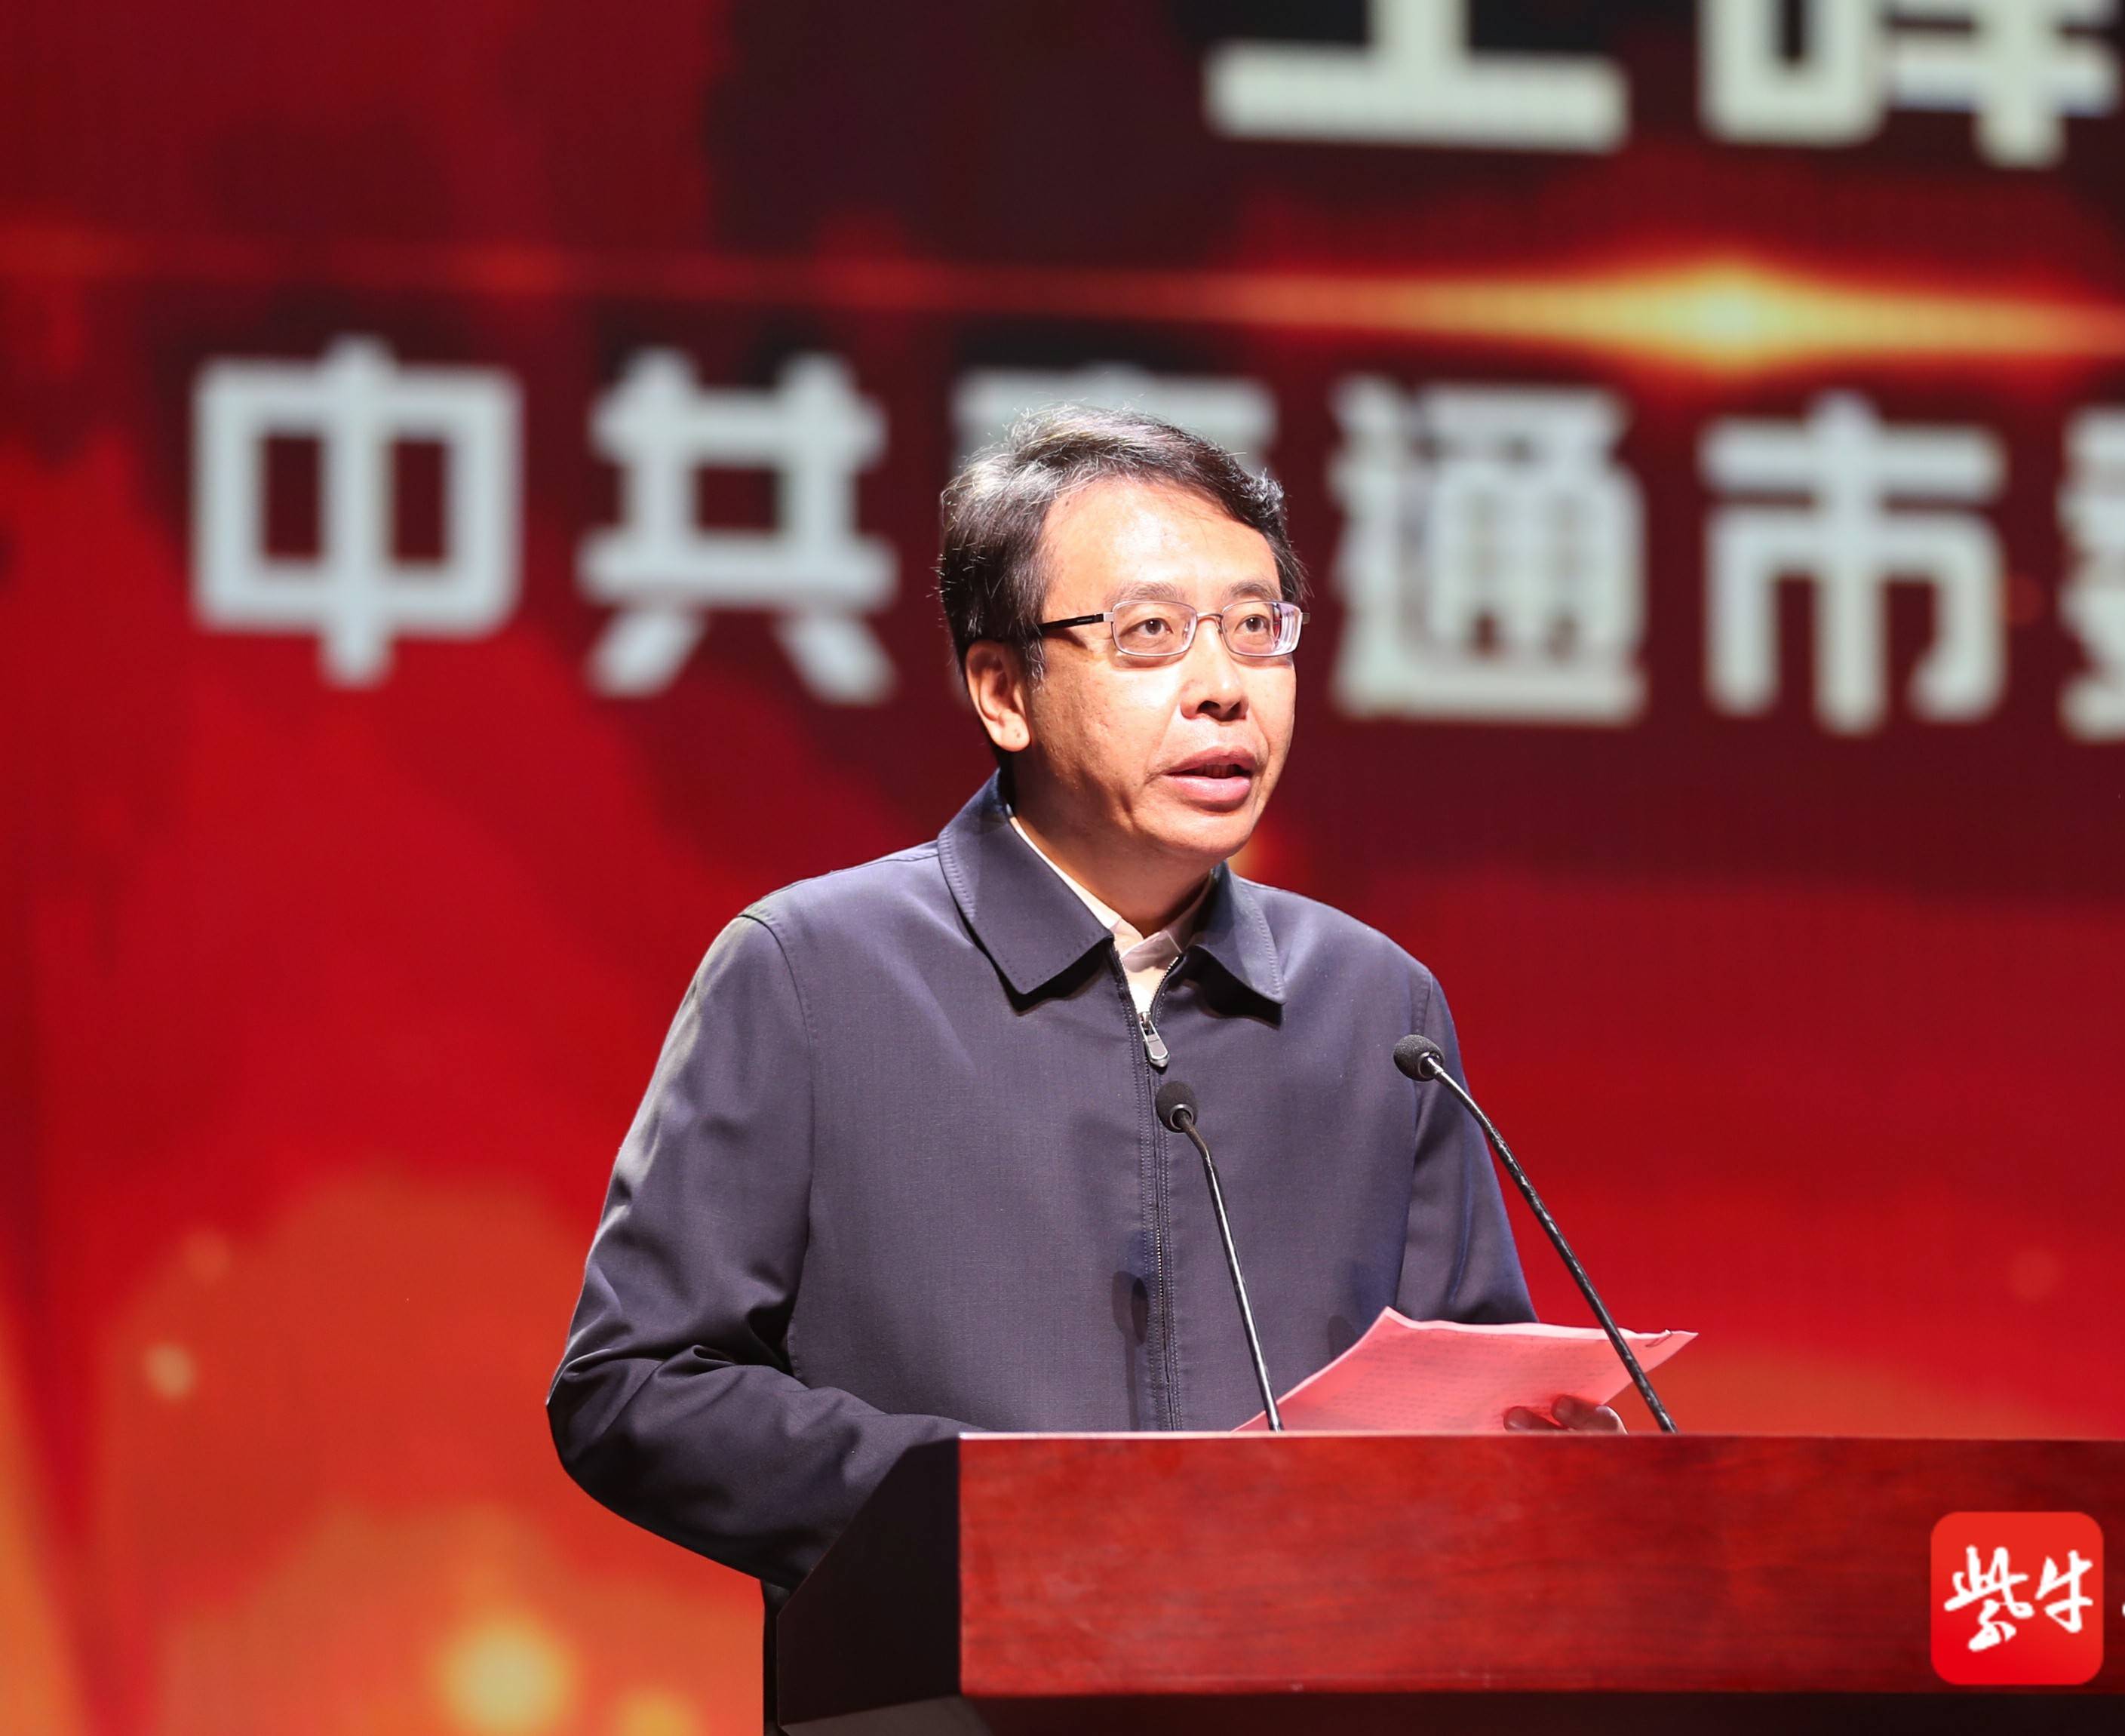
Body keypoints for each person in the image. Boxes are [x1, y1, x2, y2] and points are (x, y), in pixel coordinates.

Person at [546, 407, 1620, 1710]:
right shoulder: (812, 975)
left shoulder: (1376, 1008)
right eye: (1150, 632)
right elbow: (635, 1386)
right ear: (1003, 691)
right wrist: (986, 1511)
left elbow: (1479, 1399)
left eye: (1257, 626)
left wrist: (1547, 1457)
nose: (1223, 684)